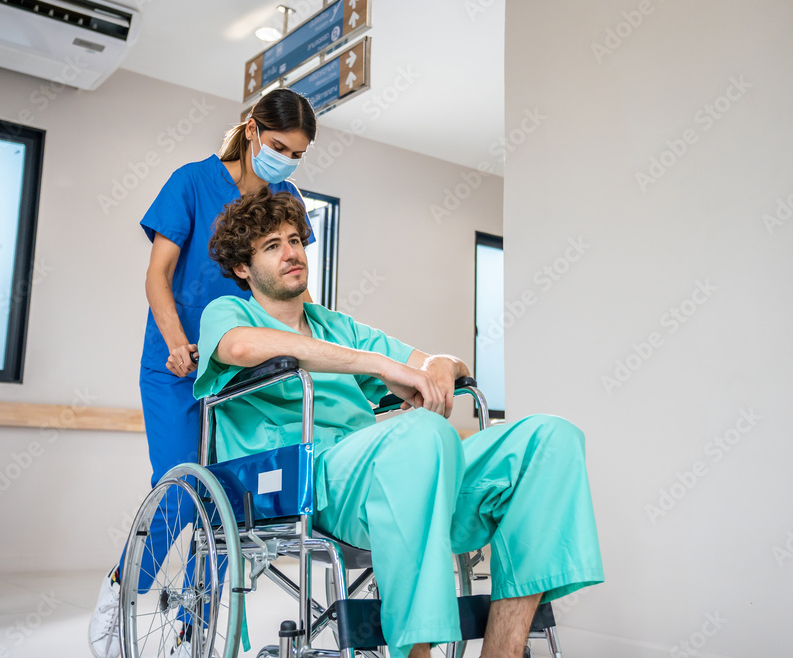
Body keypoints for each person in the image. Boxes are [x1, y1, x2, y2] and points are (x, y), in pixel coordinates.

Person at [194, 189, 605, 658]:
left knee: (551, 437)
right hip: (313, 480)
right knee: (423, 433)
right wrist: (379, 366)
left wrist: (438, 370)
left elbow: (442, 359)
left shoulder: (336, 326)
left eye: (295, 240)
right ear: (243, 268)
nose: (291, 253)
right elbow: (242, 349)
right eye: (272, 246)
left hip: (406, 469)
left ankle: (503, 649)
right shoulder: (228, 314)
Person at [89, 88, 318, 658]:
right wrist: (173, 341)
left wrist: (312, 347)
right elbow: (157, 275)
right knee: (181, 493)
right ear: (251, 131)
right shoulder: (191, 182)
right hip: (178, 365)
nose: (286, 162)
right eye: (280, 146)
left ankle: (201, 628)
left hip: (240, 372)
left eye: (297, 154)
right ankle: (120, 597)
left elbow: (294, 287)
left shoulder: (286, 198)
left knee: (229, 508)